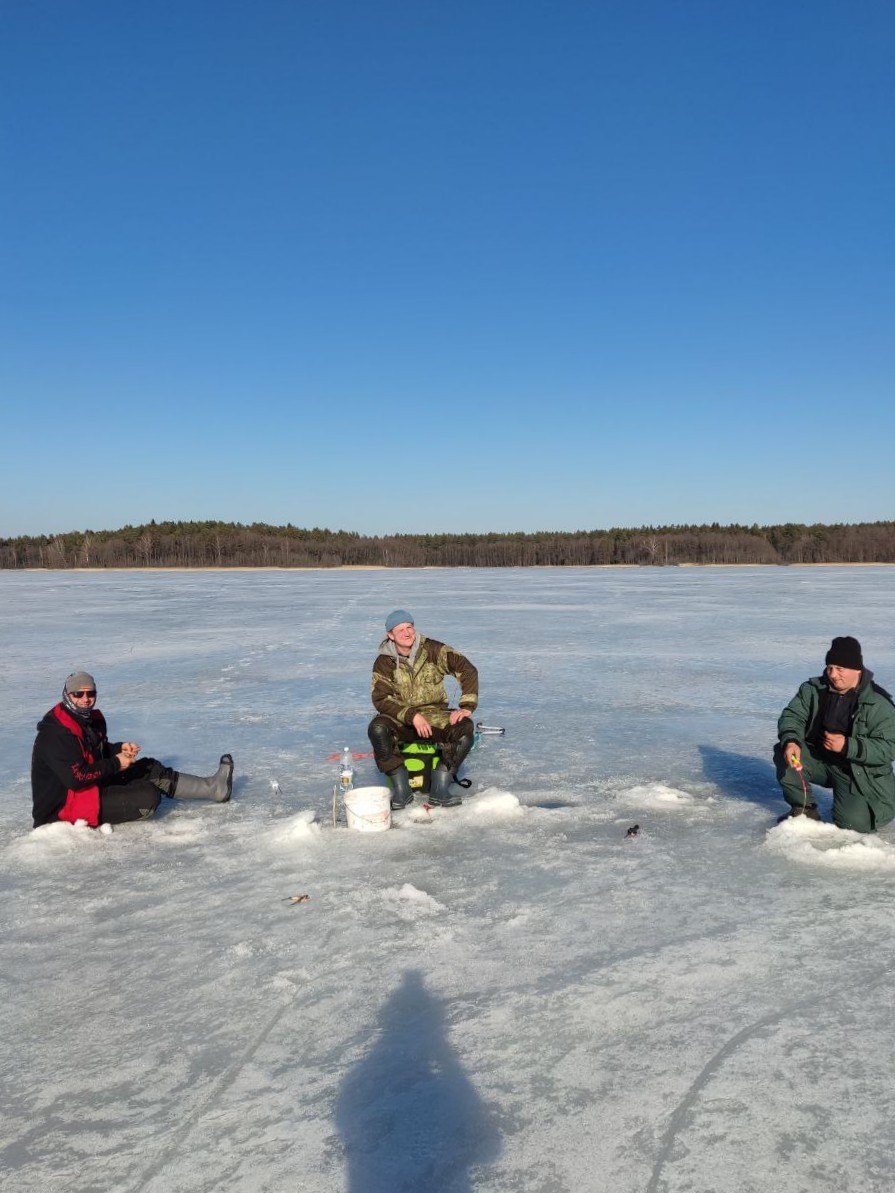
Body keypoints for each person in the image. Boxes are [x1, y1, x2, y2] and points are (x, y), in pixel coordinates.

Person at [31, 671, 234, 829]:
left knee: (150, 768)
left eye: (90, 693)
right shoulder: (57, 734)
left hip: (88, 790)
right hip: (63, 809)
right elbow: (76, 778)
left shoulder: (87, 720)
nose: (86, 699)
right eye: (78, 694)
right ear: (67, 695)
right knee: (148, 796)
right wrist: (116, 763)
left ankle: (215, 789)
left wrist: (118, 749)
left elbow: (93, 752)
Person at [775, 636, 895, 832]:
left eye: (840, 669)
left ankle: (858, 807)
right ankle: (805, 810)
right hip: (820, 760)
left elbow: (890, 747)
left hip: (856, 772)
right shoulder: (814, 689)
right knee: (785, 752)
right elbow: (793, 715)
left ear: (857, 669)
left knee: (853, 825)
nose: (833, 674)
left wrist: (848, 746)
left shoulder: (879, 704)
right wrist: (791, 741)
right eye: (830, 667)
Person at [368, 610, 478, 809]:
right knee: (377, 728)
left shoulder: (434, 650)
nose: (407, 633)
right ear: (390, 635)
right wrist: (412, 715)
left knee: (465, 729)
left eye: (409, 627)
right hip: (401, 717)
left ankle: (440, 789)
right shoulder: (384, 662)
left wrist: (466, 706)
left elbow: (467, 669)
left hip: (435, 714)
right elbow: (381, 699)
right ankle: (402, 791)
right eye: (400, 630)